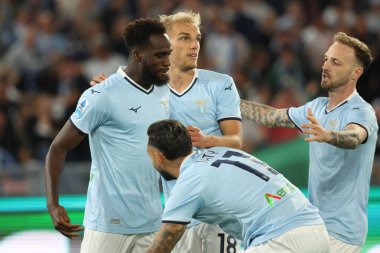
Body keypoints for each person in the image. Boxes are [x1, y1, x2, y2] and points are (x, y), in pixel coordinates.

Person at [91, 11, 242, 253]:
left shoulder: (221, 83)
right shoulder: (147, 91)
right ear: (165, 43)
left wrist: (207, 140)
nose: (194, 45)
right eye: (184, 38)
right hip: (177, 214)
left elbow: (236, 142)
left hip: (219, 209)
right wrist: (109, 93)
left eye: (198, 38)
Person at [240, 32, 378, 253]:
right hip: (314, 225)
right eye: (326, 58)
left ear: (356, 73)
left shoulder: (361, 111)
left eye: (335, 62)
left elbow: (354, 137)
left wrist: (329, 135)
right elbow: (272, 117)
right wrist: (231, 103)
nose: (326, 66)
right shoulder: (316, 107)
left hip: (341, 234)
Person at [45, 18, 172, 253]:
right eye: (159, 55)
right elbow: (58, 148)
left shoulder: (166, 93)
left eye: (168, 54)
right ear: (137, 55)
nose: (167, 62)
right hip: (108, 225)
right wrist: (53, 204)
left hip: (153, 223)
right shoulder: (102, 95)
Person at [144, 119, 330, 253]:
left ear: (158, 157)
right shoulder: (221, 151)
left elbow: (169, 234)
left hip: (281, 239)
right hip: (317, 230)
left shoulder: (189, 180)